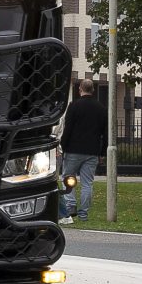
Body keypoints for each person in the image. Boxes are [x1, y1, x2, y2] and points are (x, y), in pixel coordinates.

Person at [58, 78, 106, 224]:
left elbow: (68, 128)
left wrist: (62, 146)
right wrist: (102, 153)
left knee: (67, 177)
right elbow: (105, 132)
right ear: (93, 90)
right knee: (87, 183)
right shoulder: (101, 108)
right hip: (92, 151)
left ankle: (71, 205)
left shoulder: (74, 106)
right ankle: (83, 214)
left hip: (73, 149)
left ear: (80, 89)